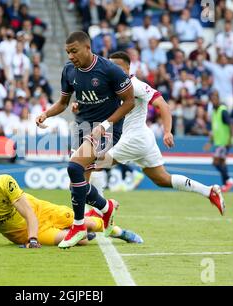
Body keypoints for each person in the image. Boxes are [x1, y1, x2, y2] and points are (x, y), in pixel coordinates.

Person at [35, 31, 136, 248]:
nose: (70, 56)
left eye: (74, 51)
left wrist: (105, 125)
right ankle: (106, 208)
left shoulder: (110, 70)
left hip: (105, 130)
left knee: (73, 168)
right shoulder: (69, 71)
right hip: (81, 128)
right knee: (78, 185)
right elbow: (63, 103)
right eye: (67, 52)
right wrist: (46, 114)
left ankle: (78, 225)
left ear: (87, 48)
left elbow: (129, 102)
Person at [93, 51, 225, 215]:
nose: (113, 69)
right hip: (142, 139)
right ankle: (208, 191)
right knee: (162, 179)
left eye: (117, 66)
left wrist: (167, 131)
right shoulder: (111, 86)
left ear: (128, 68)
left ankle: (100, 212)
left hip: (134, 139)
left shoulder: (135, 84)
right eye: (110, 65)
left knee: (95, 164)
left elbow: (162, 105)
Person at [0, 157, 143, 248]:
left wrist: (33, 240)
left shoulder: (5, 182)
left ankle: (119, 231)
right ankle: (89, 224)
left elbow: (29, 213)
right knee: (80, 241)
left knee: (88, 224)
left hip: (42, 212)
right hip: (25, 234)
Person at [204, 91, 233, 192]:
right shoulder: (214, 112)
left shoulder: (223, 110)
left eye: (215, 98)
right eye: (212, 98)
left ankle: (229, 180)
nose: (213, 100)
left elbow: (231, 125)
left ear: (218, 99)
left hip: (224, 142)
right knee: (222, 163)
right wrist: (210, 142)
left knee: (216, 162)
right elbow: (215, 129)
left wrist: (230, 139)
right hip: (219, 142)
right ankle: (225, 184)